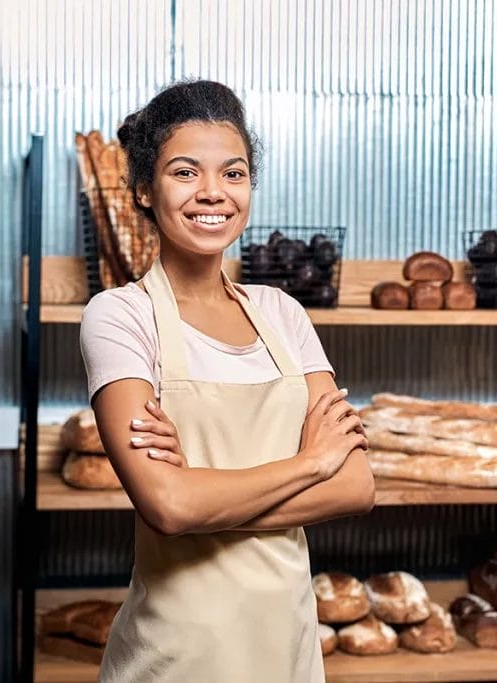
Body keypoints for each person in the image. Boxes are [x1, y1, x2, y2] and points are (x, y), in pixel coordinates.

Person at [80, 80, 374, 683]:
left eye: (233, 174)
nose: (213, 193)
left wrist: (203, 496)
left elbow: (357, 486)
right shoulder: (119, 316)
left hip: (288, 652)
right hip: (175, 658)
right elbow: (166, 505)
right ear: (144, 189)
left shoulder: (283, 313)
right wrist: (310, 463)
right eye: (185, 173)